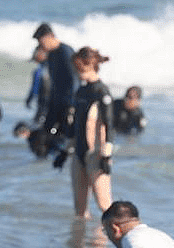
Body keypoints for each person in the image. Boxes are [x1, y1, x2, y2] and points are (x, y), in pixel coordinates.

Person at [55, 47, 114, 218]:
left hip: (96, 154)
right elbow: (75, 125)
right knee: (79, 210)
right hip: (78, 154)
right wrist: (65, 151)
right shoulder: (80, 91)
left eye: (81, 67)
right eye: (76, 67)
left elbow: (110, 123)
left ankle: (104, 242)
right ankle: (81, 243)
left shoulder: (101, 91)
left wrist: (107, 154)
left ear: (92, 65)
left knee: (104, 205)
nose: (77, 71)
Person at [32, 23, 78, 138]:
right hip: (55, 102)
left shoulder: (66, 52)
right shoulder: (51, 55)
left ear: (50, 36)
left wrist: (71, 106)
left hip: (68, 104)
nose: (40, 44)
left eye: (41, 40)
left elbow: (74, 80)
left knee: (64, 137)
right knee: (45, 135)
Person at [25, 46, 51, 125]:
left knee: (39, 121)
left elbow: (35, 87)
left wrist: (30, 98)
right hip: (46, 101)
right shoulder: (49, 66)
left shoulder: (41, 69)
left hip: (45, 101)